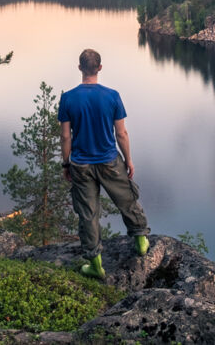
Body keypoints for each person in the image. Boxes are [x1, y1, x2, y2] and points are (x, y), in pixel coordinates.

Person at [59, 48, 150, 279]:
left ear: (79, 68)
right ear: (100, 68)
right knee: (127, 199)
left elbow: (66, 136)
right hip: (109, 160)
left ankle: (96, 264)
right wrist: (128, 160)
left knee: (88, 213)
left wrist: (66, 163)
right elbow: (122, 134)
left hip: (80, 164)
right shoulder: (112, 96)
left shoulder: (68, 98)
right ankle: (140, 241)